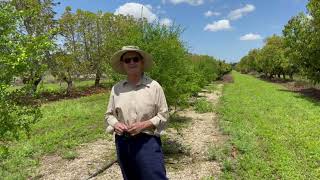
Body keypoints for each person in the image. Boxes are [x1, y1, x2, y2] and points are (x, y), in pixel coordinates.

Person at [105, 46, 169, 180]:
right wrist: (116, 124)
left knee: (154, 177)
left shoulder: (154, 87)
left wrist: (144, 125)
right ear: (123, 64)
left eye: (135, 59)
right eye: (127, 60)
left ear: (142, 62)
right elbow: (109, 115)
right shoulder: (116, 89)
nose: (131, 62)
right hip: (123, 141)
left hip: (147, 141)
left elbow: (164, 116)